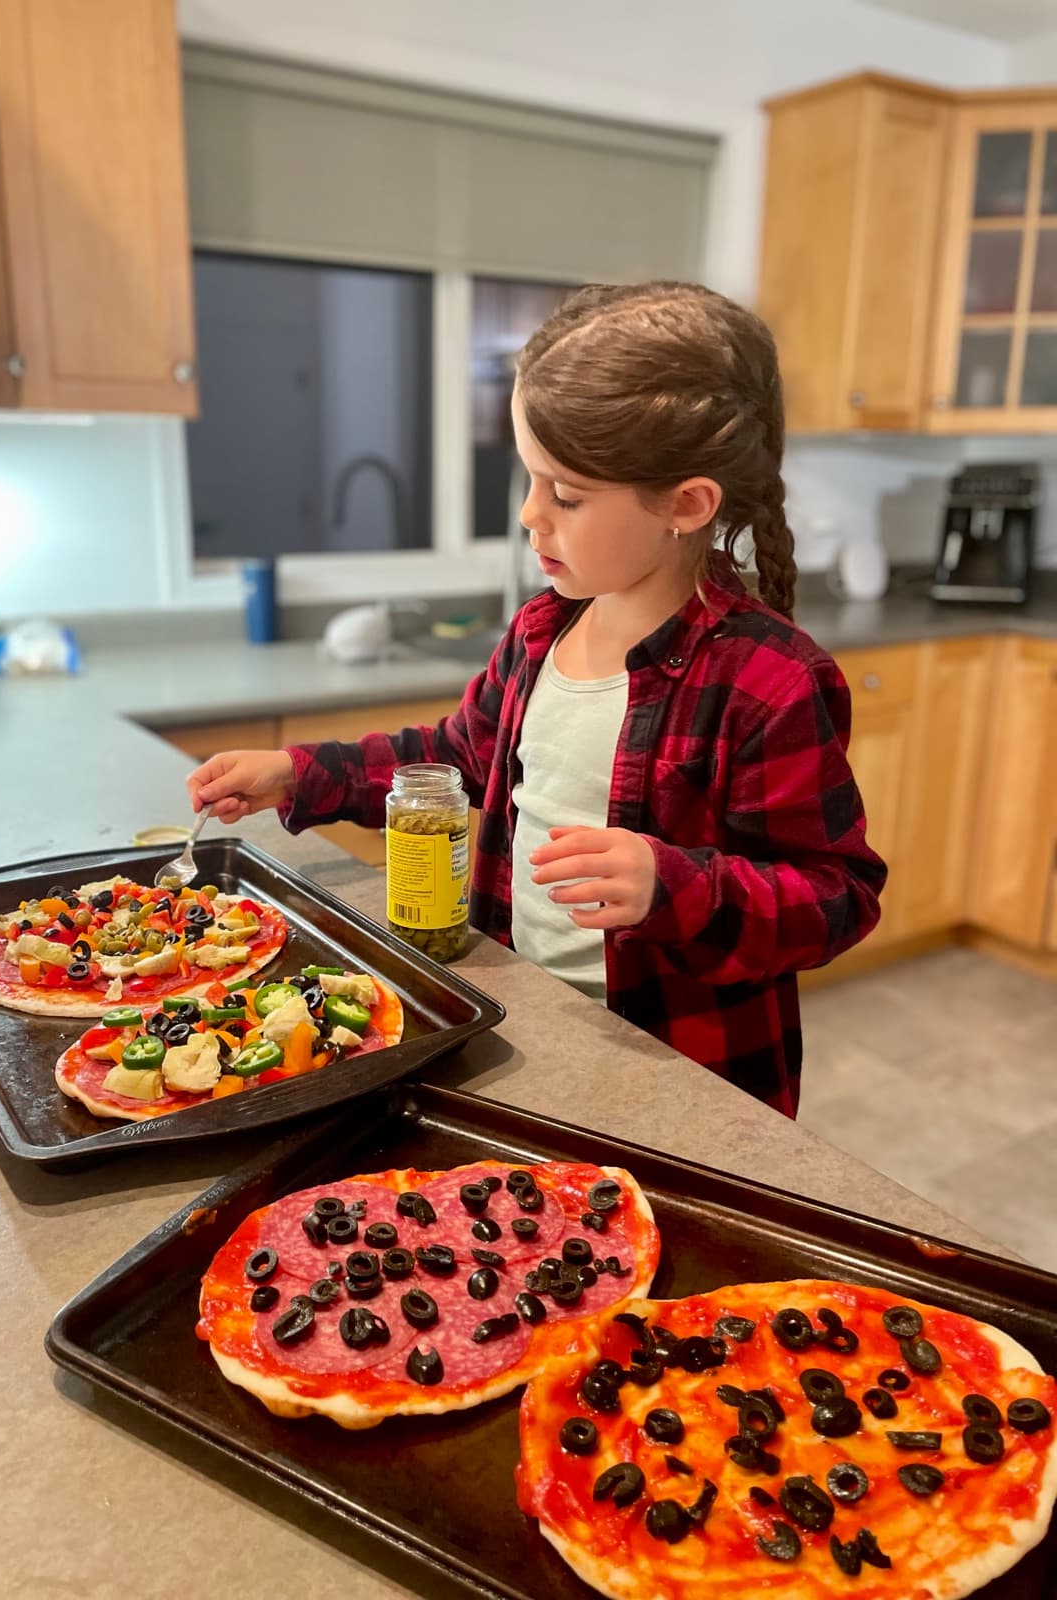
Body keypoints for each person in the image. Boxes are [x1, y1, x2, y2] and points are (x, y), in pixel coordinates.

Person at [187, 281, 886, 1118]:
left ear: (686, 505)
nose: (530, 516)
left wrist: (678, 886)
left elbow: (836, 896)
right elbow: (455, 759)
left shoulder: (768, 680)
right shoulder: (541, 632)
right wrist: (303, 774)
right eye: (530, 479)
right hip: (525, 1025)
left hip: (681, 1071)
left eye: (567, 494)